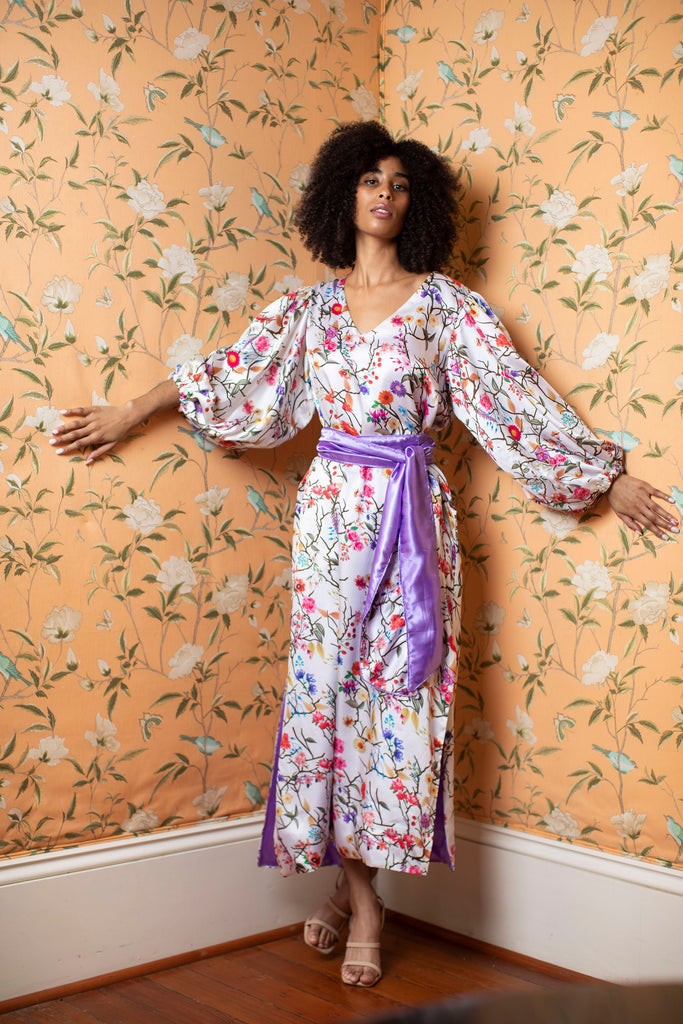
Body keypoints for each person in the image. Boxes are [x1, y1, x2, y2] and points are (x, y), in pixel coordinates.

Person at [50, 121, 679, 988]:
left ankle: (357, 891)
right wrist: (130, 412)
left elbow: (514, 400)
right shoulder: (308, 311)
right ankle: (364, 901)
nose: (384, 194)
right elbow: (228, 375)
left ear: (416, 203)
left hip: (413, 520)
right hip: (330, 521)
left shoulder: (448, 307)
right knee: (329, 699)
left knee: (401, 701)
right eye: (369, 180)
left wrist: (604, 479)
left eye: (399, 183)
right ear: (341, 196)